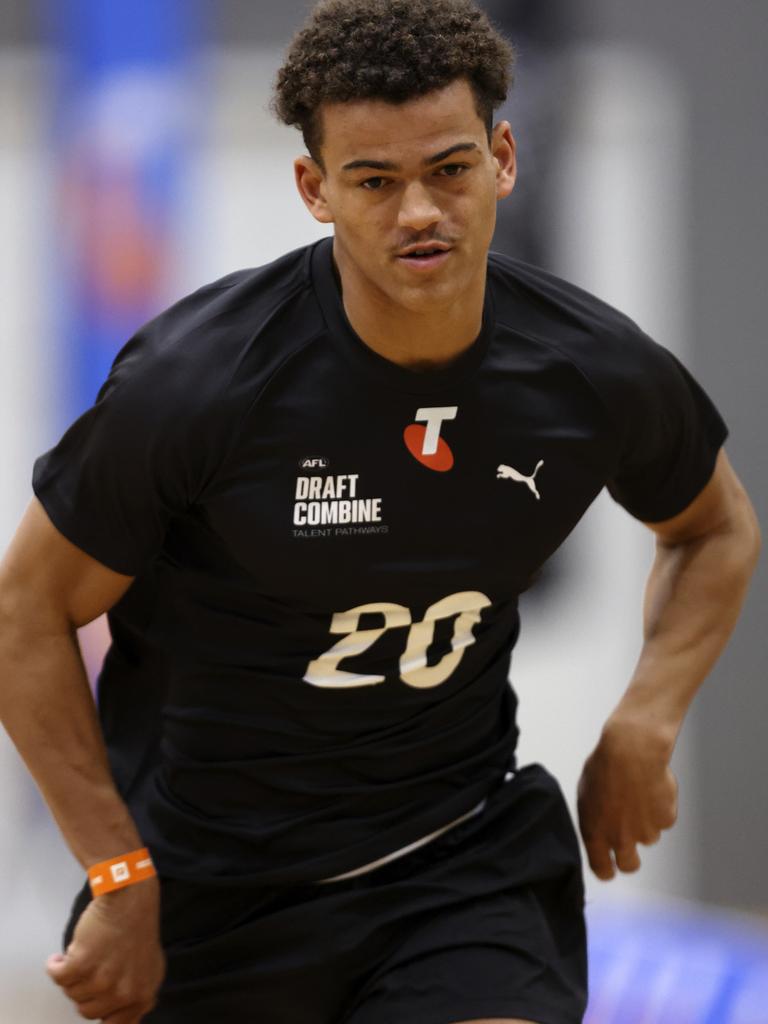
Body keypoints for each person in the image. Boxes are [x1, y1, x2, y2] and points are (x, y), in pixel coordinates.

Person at [0, 1, 760, 1022]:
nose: (419, 214)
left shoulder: (591, 369)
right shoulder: (201, 384)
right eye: (373, 180)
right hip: (215, 898)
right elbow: (25, 615)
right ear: (315, 188)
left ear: (503, 158)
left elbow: (714, 527)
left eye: (449, 168)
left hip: (453, 862)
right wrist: (117, 872)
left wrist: (647, 717)